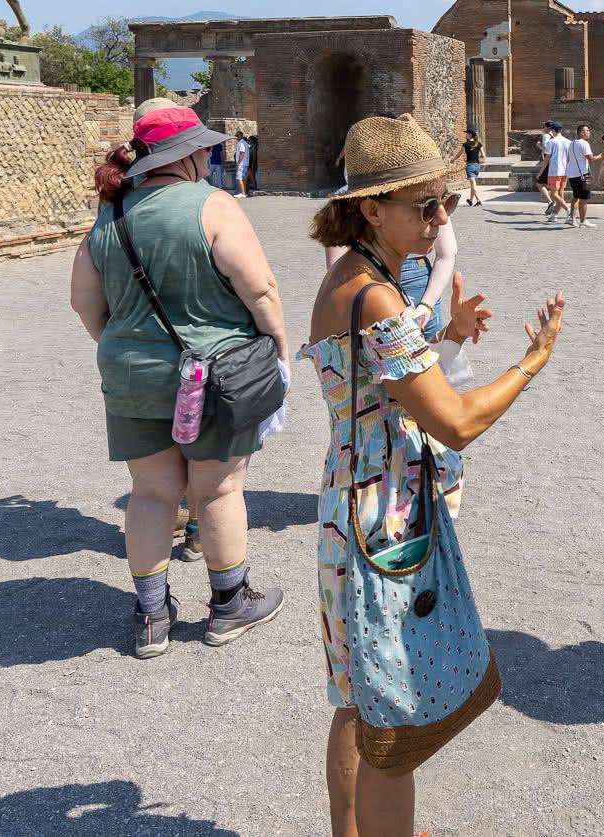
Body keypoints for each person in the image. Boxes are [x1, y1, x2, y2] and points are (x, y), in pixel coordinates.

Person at [301, 113, 564, 837]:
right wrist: (532, 361)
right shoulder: (374, 293)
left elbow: (381, 380)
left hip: (358, 502)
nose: (441, 217)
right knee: (387, 709)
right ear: (370, 209)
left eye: (444, 200)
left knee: (363, 697)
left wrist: (444, 333)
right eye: (425, 205)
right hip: (379, 520)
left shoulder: (360, 279)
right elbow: (454, 419)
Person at [69, 105, 291, 659]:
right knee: (216, 489)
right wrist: (279, 353)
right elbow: (260, 288)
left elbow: (84, 303)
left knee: (150, 494)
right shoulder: (211, 205)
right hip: (214, 375)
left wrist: (126, 348)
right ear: (189, 154)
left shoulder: (111, 213)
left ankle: (151, 617)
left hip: (131, 378)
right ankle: (229, 604)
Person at [565, 123, 595, 227]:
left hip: (572, 174)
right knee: (584, 198)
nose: (589, 132)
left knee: (575, 196)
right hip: (584, 174)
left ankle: (572, 219)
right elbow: (591, 159)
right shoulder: (584, 143)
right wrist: (603, 155)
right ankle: (583, 220)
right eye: (587, 131)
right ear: (582, 133)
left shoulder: (572, 143)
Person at [461, 129, 485, 207]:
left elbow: (459, 154)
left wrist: (452, 160)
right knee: (472, 184)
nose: (466, 135)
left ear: (470, 135)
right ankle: (471, 200)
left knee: (473, 184)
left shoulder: (466, 144)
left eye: (467, 133)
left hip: (470, 166)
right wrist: (476, 158)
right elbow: (483, 155)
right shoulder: (478, 144)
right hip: (477, 165)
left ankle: (478, 200)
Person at [231, 131, 251, 197]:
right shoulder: (245, 143)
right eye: (236, 135)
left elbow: (241, 153)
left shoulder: (241, 143)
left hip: (242, 163)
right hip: (245, 163)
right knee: (243, 178)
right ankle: (245, 192)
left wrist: (238, 163)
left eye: (238, 135)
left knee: (239, 178)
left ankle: (243, 193)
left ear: (241, 135)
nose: (237, 137)